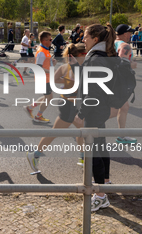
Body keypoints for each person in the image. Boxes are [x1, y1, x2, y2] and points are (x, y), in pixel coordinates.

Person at [73, 23, 120, 212]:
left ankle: (100, 196)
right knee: (101, 146)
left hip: (93, 111)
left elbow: (91, 92)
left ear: (95, 39)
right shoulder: (105, 56)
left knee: (91, 152)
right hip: (102, 109)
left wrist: (82, 113)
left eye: (85, 36)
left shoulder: (94, 59)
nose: (82, 40)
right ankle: (105, 184)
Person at [27, 43, 87, 173]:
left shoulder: (69, 67)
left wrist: (67, 81)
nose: (88, 56)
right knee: (55, 132)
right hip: (68, 104)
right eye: (86, 54)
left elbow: (56, 80)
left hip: (74, 103)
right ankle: (35, 155)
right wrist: (69, 82)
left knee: (82, 130)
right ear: (80, 55)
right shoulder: (74, 68)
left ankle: (83, 158)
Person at [111, 24, 137, 144]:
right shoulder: (124, 45)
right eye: (129, 33)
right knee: (115, 109)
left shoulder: (113, 42)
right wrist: (132, 65)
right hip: (118, 82)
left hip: (112, 79)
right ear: (125, 33)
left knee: (124, 107)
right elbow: (122, 63)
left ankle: (121, 135)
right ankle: (88, 124)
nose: (131, 35)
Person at [24, 31, 57, 123]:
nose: (51, 41)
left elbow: (45, 64)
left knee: (47, 97)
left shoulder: (45, 50)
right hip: (42, 78)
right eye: (50, 39)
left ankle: (30, 108)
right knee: (49, 97)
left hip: (46, 78)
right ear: (44, 40)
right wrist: (51, 70)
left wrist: (52, 63)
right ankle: (38, 116)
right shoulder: (42, 52)